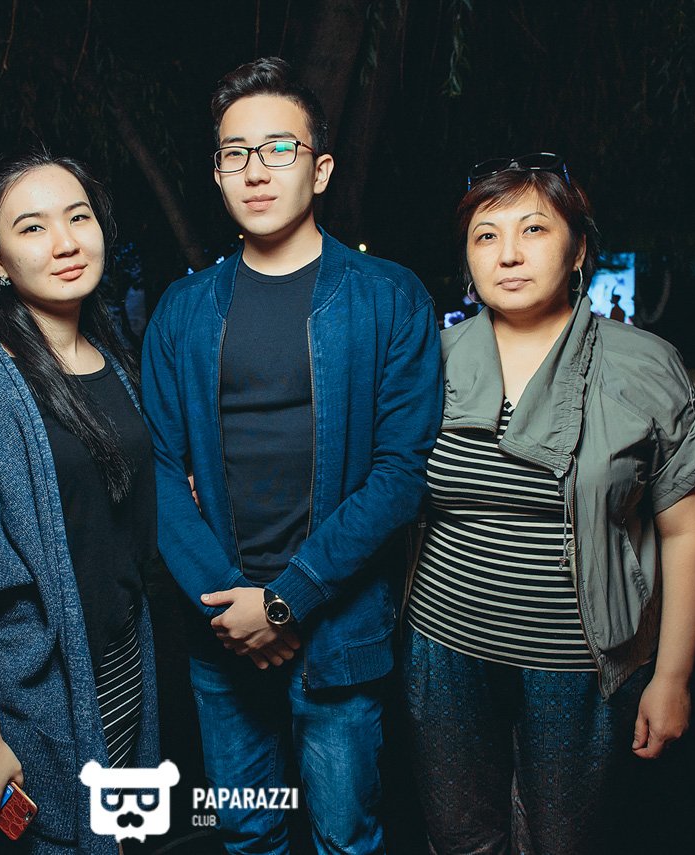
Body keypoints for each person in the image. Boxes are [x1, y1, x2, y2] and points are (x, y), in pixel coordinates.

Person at [141, 57, 441, 853]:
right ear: (217, 173)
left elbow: (400, 475)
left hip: (339, 638)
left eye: (280, 148)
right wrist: (232, 607)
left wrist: (286, 601)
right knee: (248, 836)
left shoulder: (389, 297)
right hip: (222, 635)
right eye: (235, 153)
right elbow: (159, 471)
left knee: (346, 837)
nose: (256, 169)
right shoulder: (182, 311)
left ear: (322, 168)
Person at [402, 153, 695, 855]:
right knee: (457, 836)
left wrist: (672, 677)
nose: (508, 254)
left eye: (534, 229)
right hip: (442, 648)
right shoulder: (428, 357)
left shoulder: (644, 365)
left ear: (578, 251)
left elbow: (686, 530)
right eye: (486, 235)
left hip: (579, 665)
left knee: (563, 841)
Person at [0, 149, 160, 854]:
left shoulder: (110, 358)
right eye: (33, 227)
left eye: (79, 217)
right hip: (39, 690)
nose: (66, 242)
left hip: (121, 664)